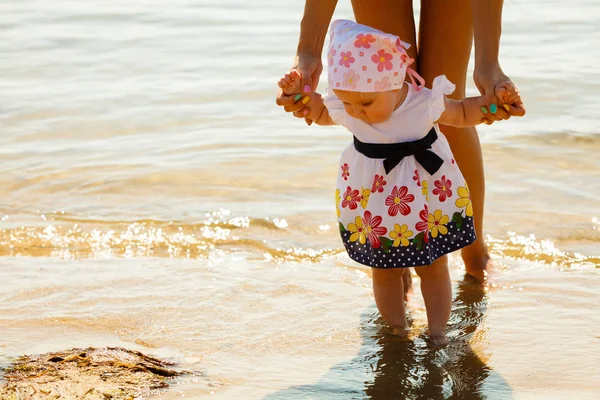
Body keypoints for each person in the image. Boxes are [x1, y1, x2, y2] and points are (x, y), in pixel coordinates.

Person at [277, 19, 522, 343]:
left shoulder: (421, 101)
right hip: (377, 206)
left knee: (433, 266)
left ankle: (437, 332)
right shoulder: (349, 101)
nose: (356, 111)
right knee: (384, 270)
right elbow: (322, 112)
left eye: (365, 103)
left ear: (395, 84)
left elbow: (463, 113)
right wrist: (299, 93)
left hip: (426, 200)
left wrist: (495, 104)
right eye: (348, 102)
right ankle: (396, 329)